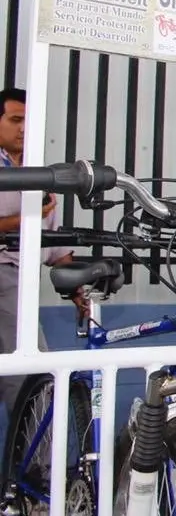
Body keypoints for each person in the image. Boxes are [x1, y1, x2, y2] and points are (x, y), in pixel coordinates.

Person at [0, 88, 74, 412]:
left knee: (25, 372)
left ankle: (27, 458)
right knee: (32, 374)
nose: (23, 128)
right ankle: (38, 462)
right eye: (15, 120)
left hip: (24, 281)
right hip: (5, 272)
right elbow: (35, 219)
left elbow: (54, 241)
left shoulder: (39, 170)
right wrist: (26, 218)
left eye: (29, 121)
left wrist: (76, 286)